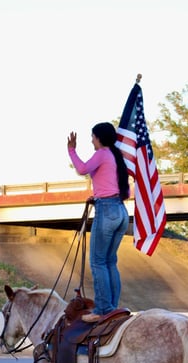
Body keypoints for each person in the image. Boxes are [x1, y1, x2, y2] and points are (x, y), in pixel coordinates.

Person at [67, 122, 130, 322]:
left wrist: (71, 151)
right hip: (120, 210)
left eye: (93, 137)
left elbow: (82, 169)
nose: (91, 140)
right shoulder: (115, 156)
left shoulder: (102, 153)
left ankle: (103, 309)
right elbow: (121, 190)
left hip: (107, 211)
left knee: (98, 262)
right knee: (110, 261)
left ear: (99, 138)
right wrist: (97, 197)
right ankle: (113, 306)